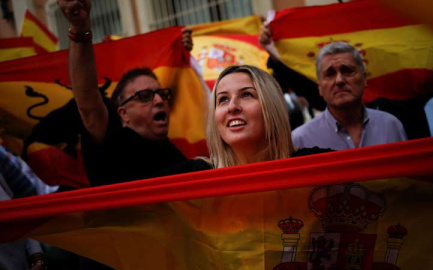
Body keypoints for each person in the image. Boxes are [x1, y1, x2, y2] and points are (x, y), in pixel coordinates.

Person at [57, 0, 192, 186]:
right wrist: (80, 29)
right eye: (145, 96)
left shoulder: (174, 154)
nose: (160, 100)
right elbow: (88, 101)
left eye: (162, 94)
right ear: (123, 114)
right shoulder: (113, 144)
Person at [151, 65, 332, 176]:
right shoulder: (193, 175)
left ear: (272, 106)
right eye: (223, 99)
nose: (232, 107)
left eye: (246, 95)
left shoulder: (317, 165)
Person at [292, 41, 407, 150]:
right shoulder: (301, 140)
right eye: (330, 74)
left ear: (364, 79)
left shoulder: (391, 126)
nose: (339, 80)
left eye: (347, 71)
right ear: (320, 87)